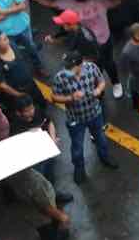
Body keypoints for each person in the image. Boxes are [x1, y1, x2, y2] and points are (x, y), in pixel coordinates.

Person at [50, 52, 119, 184]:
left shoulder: (92, 68)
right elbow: (54, 97)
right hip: (75, 119)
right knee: (77, 148)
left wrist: (98, 90)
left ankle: (105, 158)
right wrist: (70, 98)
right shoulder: (60, 77)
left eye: (71, 67)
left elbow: (102, 82)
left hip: (95, 114)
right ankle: (79, 169)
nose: (67, 70)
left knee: (101, 140)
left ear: (80, 64)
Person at [43, 0, 122, 97]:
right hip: (87, 62)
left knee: (98, 77)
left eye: (63, 24)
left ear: (70, 24)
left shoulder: (84, 38)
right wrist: (54, 40)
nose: (61, 26)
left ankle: (99, 94)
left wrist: (78, 63)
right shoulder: (75, 31)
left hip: (92, 64)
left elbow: (92, 57)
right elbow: (67, 39)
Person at [0, 31, 47, 112]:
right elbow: (2, 85)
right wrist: (18, 94)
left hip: (30, 82)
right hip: (20, 90)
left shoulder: (12, 45)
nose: (8, 41)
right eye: (4, 40)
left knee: (41, 101)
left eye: (7, 38)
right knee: (30, 109)